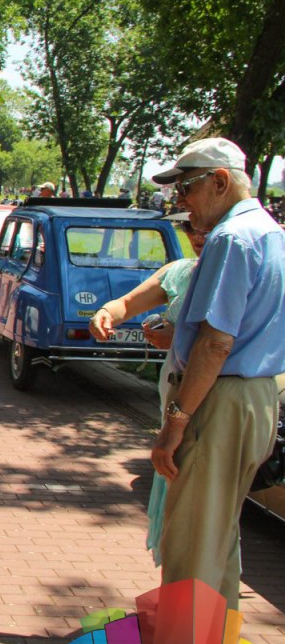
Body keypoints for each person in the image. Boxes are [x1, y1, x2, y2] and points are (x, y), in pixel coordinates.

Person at [145, 137, 285, 618]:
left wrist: (176, 421)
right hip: (254, 397)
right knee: (218, 539)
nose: (181, 201)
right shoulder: (269, 232)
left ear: (220, 181)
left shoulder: (231, 238)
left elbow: (214, 343)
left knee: (190, 545)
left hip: (219, 399)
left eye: (186, 187)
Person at [89, 214, 209, 565]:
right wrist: (105, 313)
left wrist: (179, 337)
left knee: (200, 516)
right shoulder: (181, 271)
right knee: (174, 507)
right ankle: (178, 586)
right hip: (174, 391)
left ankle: (198, 592)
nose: (197, 235)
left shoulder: (232, 275)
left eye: (207, 228)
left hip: (207, 399)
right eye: (190, 227)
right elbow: (127, 303)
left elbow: (224, 342)